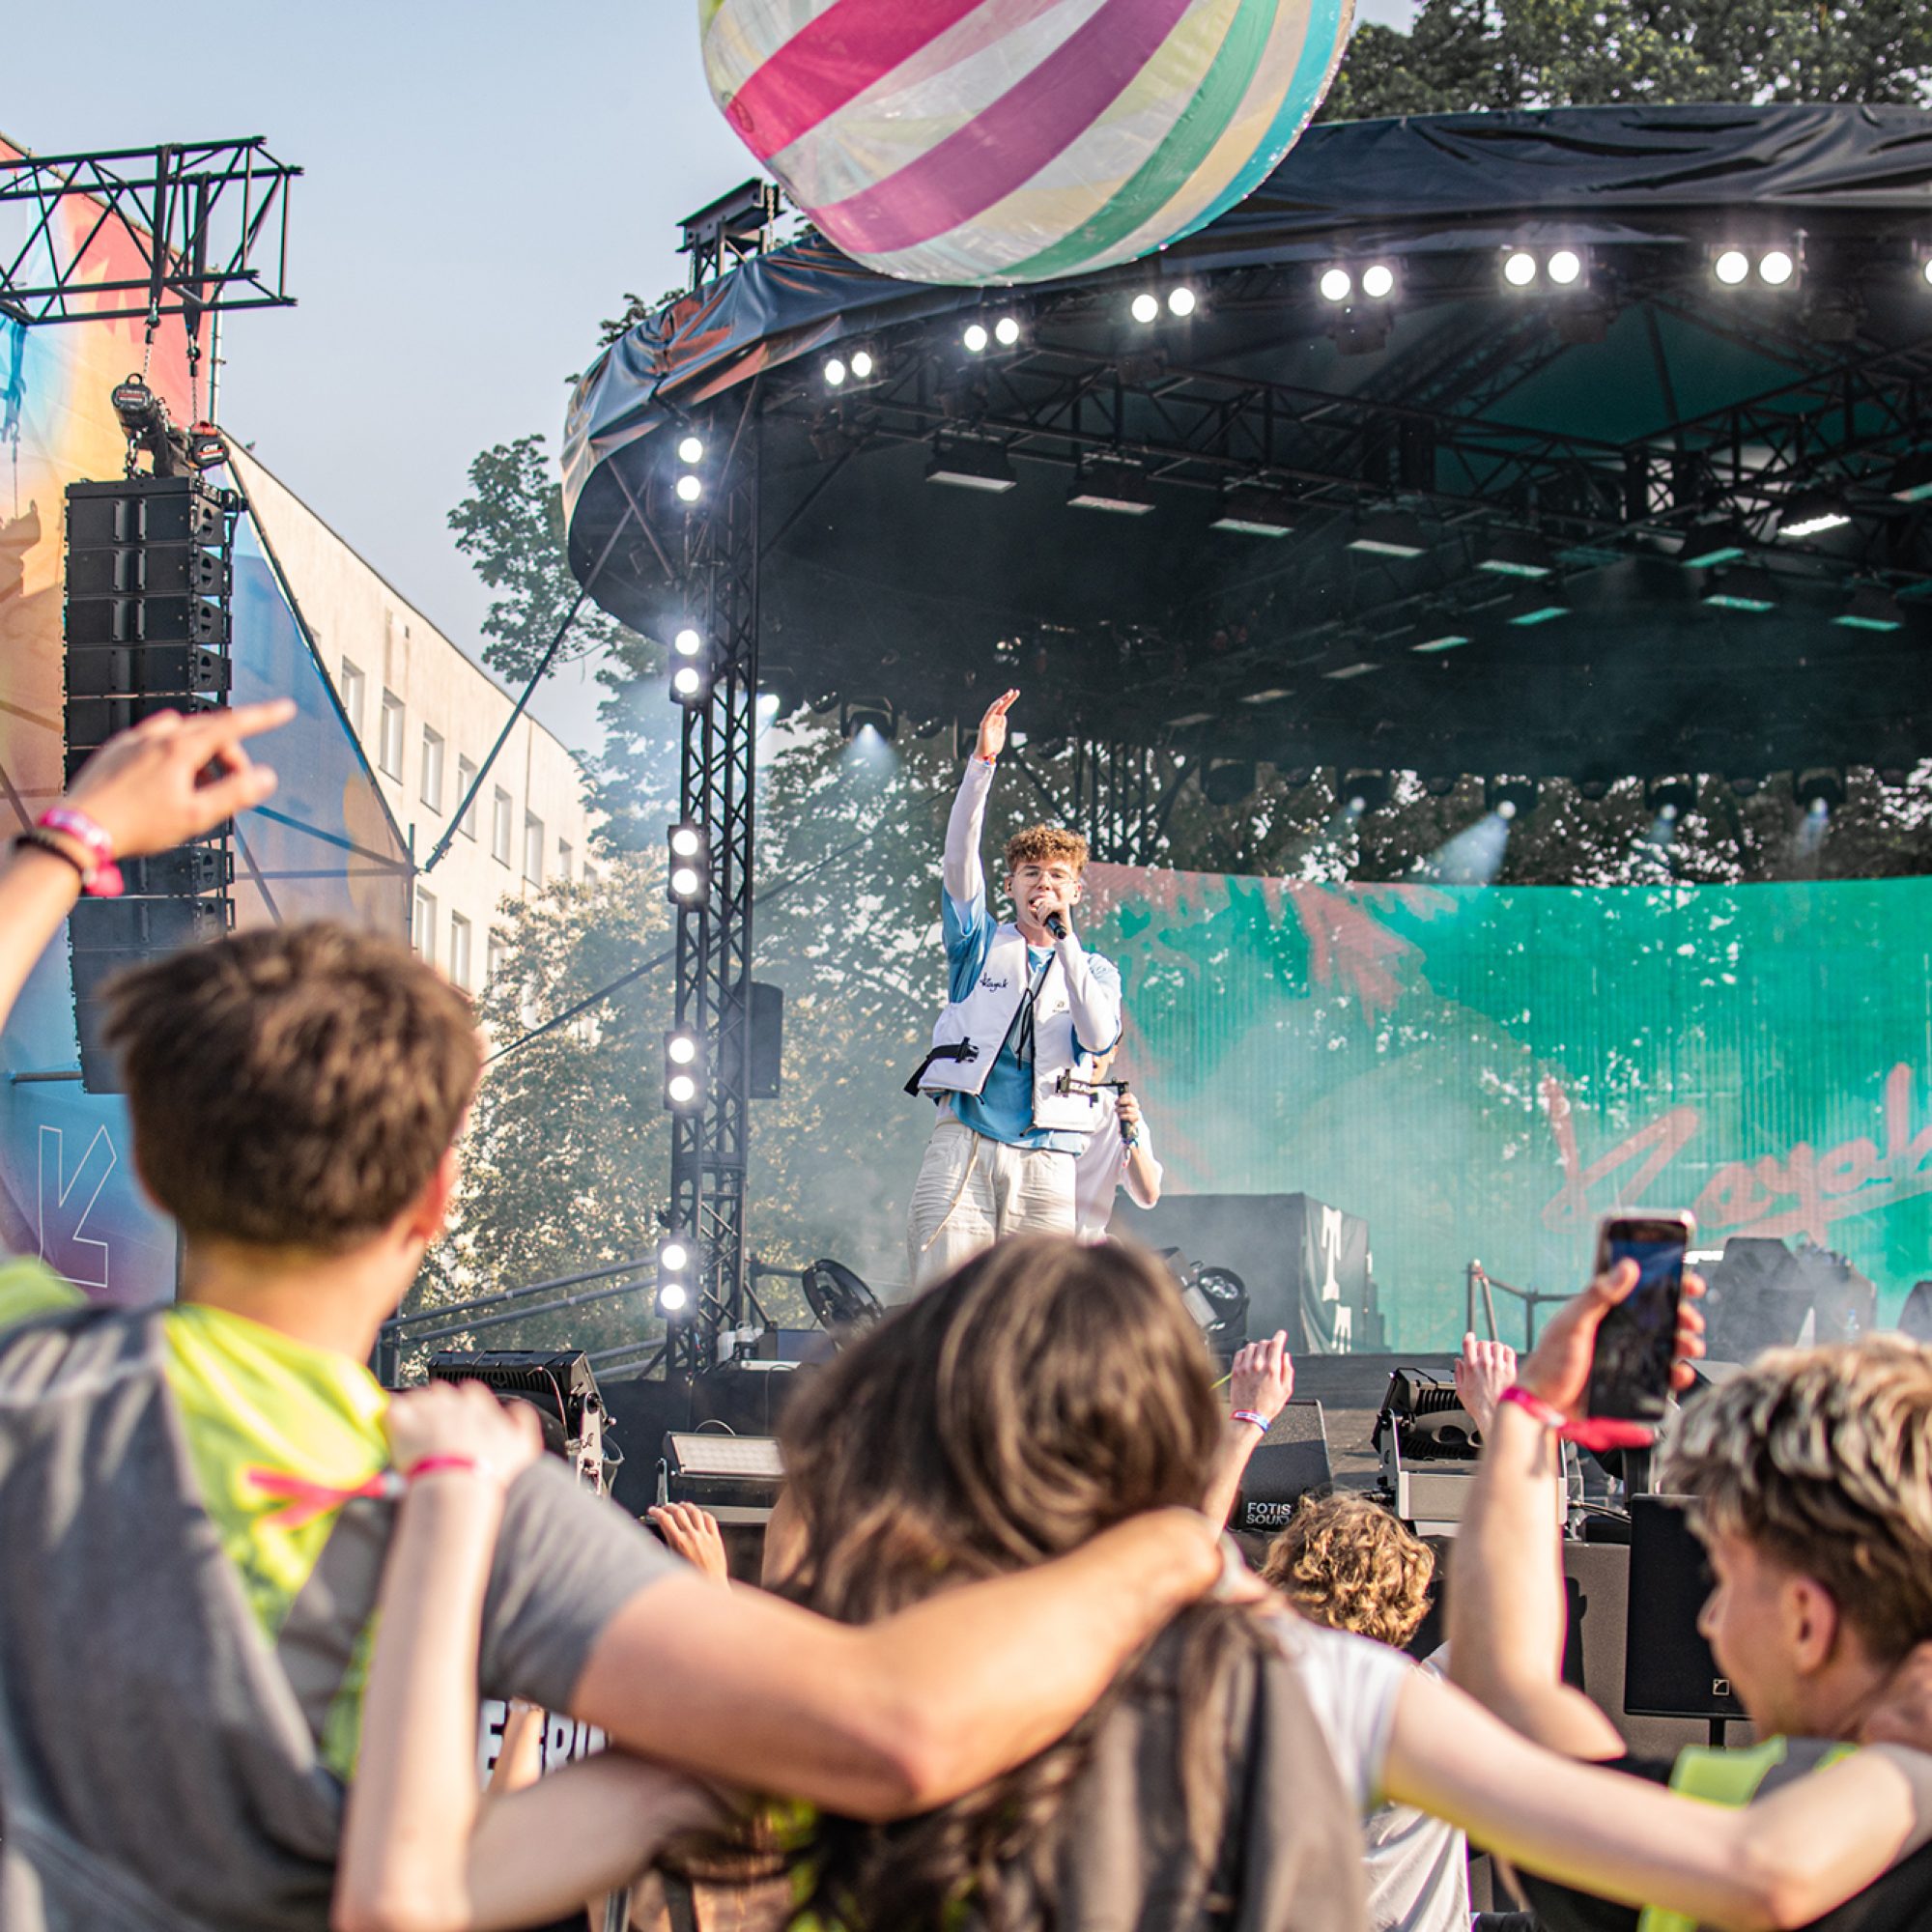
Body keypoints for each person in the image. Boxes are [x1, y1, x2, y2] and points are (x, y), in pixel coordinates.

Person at [0, 709, 1234, 1931]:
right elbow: (893, 1730)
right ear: (436, 1194)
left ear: (151, 1163)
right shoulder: (473, 1508)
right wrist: (1165, 1542)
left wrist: (73, 839)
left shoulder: (32, 1373)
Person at [343, 1238, 1932, 1932]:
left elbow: (410, 1902)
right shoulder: (1320, 1688)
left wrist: (450, 1539)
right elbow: (1740, 1868)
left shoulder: (796, 1712)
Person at [339, 1238, 1372, 1932]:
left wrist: (452, 1516)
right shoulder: (1248, 1692)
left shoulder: (809, 1718)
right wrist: (1181, 1537)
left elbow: (414, 1899)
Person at [1449, 1270, 1932, 1929]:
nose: (1709, 1618)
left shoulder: (1737, 1820)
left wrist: (1526, 1413)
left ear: (1806, 1622)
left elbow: (1512, 1710)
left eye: (1725, 1581)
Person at [904, 690, 1122, 1287]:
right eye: (1031, 874)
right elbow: (958, 857)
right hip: (965, 1143)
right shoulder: (978, 942)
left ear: (1075, 892)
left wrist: (1065, 943)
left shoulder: (1097, 971)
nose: (1042, 885)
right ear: (1010, 886)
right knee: (948, 1298)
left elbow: (1097, 1036)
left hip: (1048, 1158)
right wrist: (982, 766)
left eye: (1057, 876)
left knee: (1032, 1311)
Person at [1070, 1050, 1163, 1241]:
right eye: (1083, 1047)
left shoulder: (1117, 1112)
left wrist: (1130, 1137)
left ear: (1113, 1053)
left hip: (1086, 1249)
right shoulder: (1033, 1106)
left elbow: (1148, 1196)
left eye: (1100, 1049)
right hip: (1031, 1246)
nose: (1092, 1057)